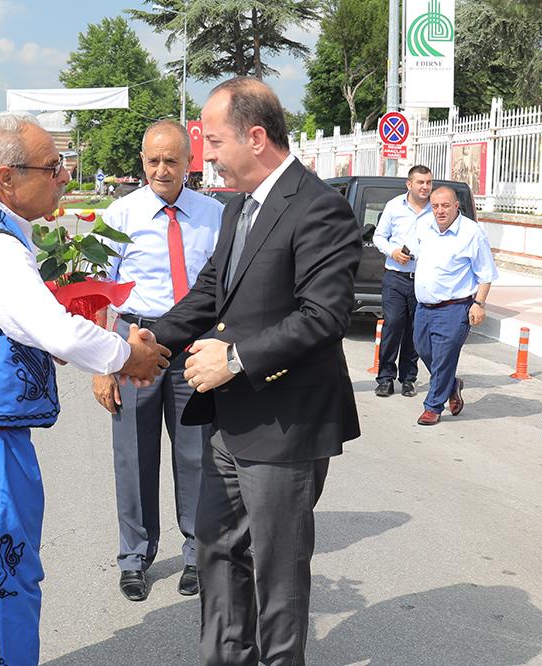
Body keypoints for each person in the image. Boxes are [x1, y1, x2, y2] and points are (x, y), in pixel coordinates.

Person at [0, 113, 170, 666]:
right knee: (3, 577)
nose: (64, 180)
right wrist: (127, 355)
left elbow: (15, 323)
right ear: (7, 177)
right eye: (52, 169)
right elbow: (46, 325)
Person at [149, 77, 362, 666]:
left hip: (284, 424)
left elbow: (324, 316)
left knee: (278, 572)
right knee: (217, 551)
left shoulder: (321, 208)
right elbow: (213, 291)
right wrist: (146, 339)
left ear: (257, 137)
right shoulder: (237, 206)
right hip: (228, 422)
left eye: (214, 142)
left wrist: (235, 359)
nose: (206, 156)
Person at [92, 119, 223, 602]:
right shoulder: (120, 215)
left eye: (172, 160)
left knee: (198, 456)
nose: (162, 170)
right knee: (133, 455)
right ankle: (135, 556)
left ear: (190, 161)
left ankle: (198, 555)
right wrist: (105, 365)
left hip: (194, 347)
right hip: (134, 344)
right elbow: (96, 297)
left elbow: (227, 290)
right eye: (153, 161)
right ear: (142, 162)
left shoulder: (215, 215)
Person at [410, 186, 497, 426]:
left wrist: (479, 304)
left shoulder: (472, 232)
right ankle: (451, 384)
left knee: (444, 357)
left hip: (455, 308)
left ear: (456, 206)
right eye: (435, 206)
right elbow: (417, 254)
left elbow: (486, 273)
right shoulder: (424, 226)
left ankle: (432, 407)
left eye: (445, 205)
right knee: (422, 349)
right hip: (424, 307)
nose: (440, 211)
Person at [372, 165, 434, 398]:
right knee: (393, 325)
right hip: (396, 277)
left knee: (415, 330)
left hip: (423, 280)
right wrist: (393, 251)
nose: (425, 187)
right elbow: (379, 236)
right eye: (420, 182)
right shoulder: (394, 206)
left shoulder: (434, 208)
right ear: (409, 184)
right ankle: (385, 378)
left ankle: (408, 378)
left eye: (428, 182)